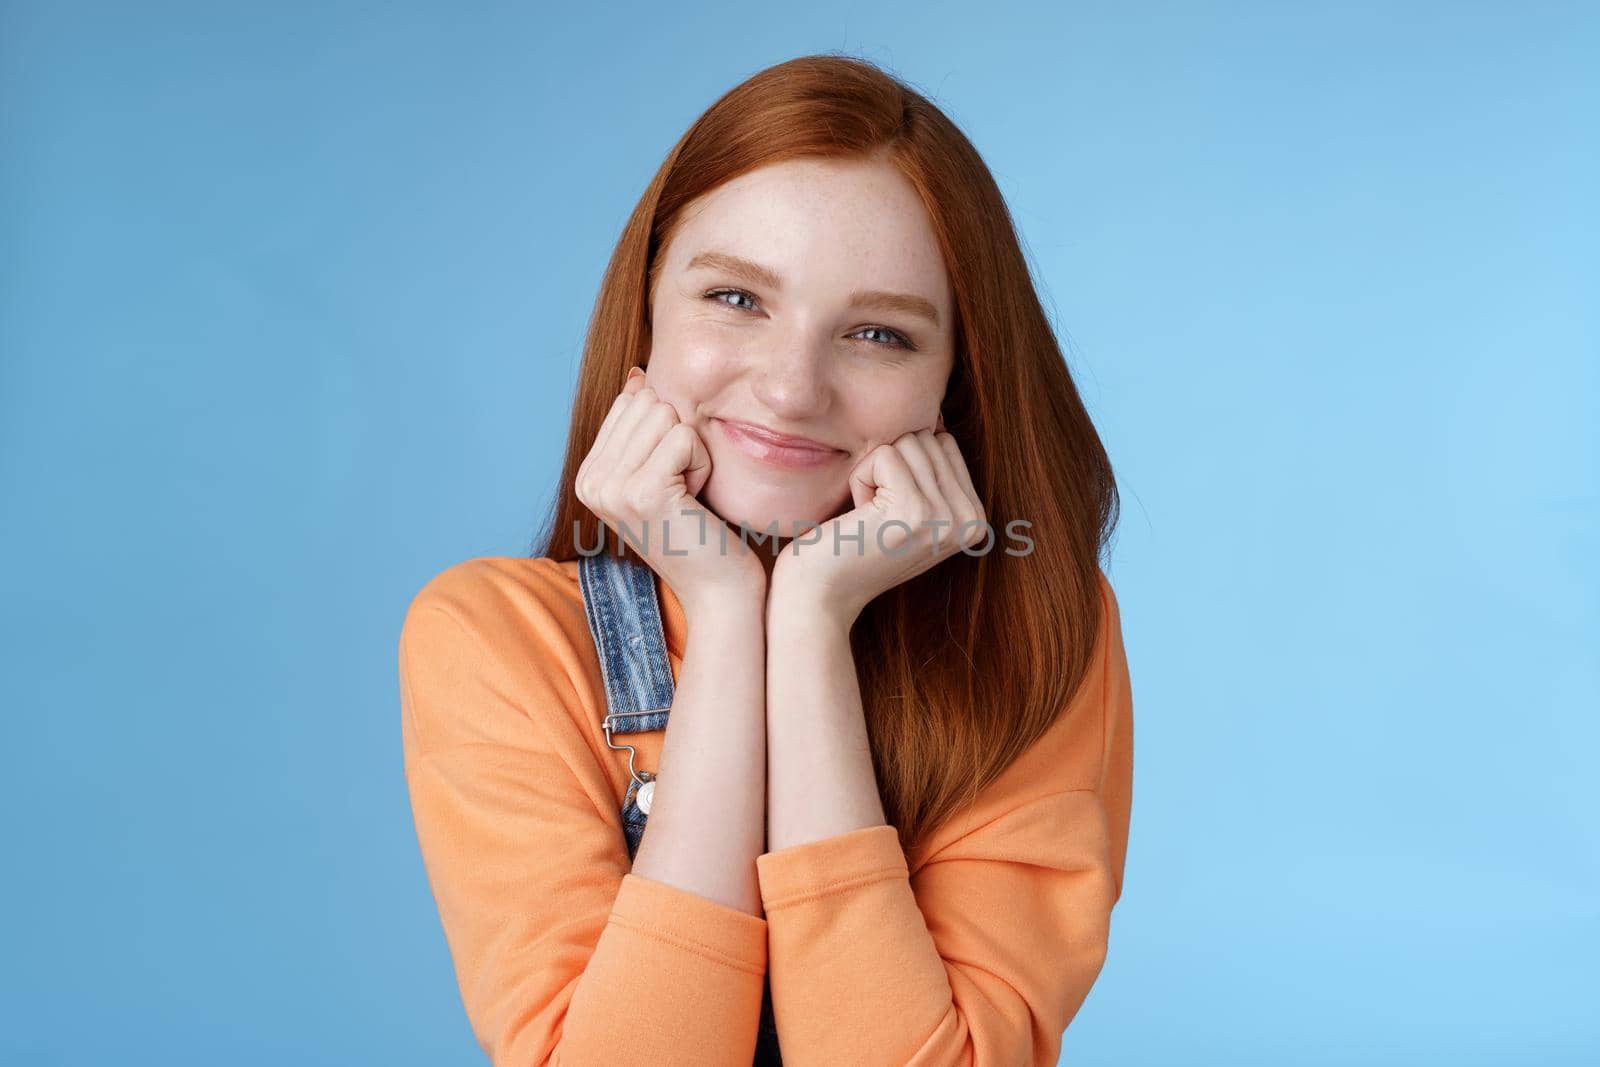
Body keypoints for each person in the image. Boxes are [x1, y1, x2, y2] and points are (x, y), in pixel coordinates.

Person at [398, 53, 1134, 1067]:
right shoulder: (498, 635)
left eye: (878, 333)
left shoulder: (1037, 625)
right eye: (737, 299)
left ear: (951, 385)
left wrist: (809, 621)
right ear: (646, 307)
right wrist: (727, 605)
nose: (792, 390)